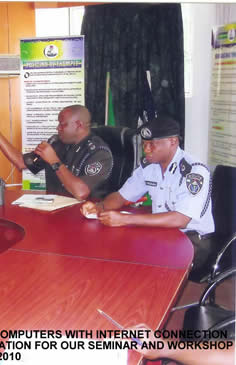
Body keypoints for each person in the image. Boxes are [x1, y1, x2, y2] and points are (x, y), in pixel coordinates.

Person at [80, 116, 214, 273]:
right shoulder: (149, 166)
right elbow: (121, 196)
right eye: (144, 144)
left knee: (140, 264)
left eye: (152, 144)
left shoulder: (193, 171)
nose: (146, 149)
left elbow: (181, 219)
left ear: (173, 142)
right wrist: (98, 207)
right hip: (162, 232)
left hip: (192, 241)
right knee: (115, 249)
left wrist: (125, 219)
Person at [0, 105, 113, 200]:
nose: (57, 128)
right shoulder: (57, 143)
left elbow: (81, 193)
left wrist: (54, 161)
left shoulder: (99, 152)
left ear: (78, 125)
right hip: (56, 211)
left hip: (85, 216)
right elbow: (20, 162)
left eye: (62, 124)